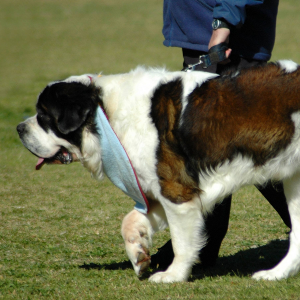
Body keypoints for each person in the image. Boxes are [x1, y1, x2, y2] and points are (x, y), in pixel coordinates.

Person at [151, 0, 291, 270]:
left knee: (252, 149)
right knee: (221, 146)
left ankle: (201, 243)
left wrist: (223, 22)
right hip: (207, 29)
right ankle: (202, 242)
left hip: (227, 34)